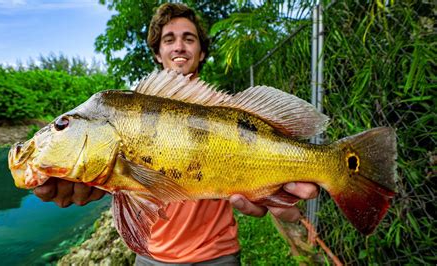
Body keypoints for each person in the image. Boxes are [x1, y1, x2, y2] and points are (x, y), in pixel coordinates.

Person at [34, 3, 318, 265]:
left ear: (202, 51)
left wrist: (277, 196)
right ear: (158, 53)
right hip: (154, 257)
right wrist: (100, 178)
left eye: (189, 38)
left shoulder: (232, 111)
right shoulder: (123, 115)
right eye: (169, 39)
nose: (179, 46)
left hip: (218, 254)